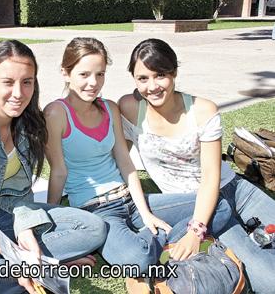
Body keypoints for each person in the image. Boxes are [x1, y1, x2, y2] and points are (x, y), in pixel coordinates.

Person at [44, 37, 231, 276]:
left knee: (221, 208)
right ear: (65, 73)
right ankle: (164, 237)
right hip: (97, 210)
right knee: (136, 260)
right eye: (84, 75)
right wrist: (50, 218)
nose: (93, 83)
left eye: (100, 74)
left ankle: (155, 233)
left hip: (132, 199)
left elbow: (125, 162)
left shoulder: (110, 108)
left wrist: (146, 214)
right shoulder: (55, 113)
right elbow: (58, 171)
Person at [0, 39, 107, 294]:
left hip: (7, 215)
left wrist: (25, 228)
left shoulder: (28, 125)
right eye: (8, 82)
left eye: (27, 82)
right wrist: (4, 246)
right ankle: (33, 266)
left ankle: (20, 266)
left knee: (93, 228)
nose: (18, 93)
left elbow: (21, 193)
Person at [119, 38, 275, 293]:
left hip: (235, 190)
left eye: (160, 75)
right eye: (143, 78)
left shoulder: (202, 110)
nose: (153, 86)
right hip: (195, 205)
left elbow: (212, 176)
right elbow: (120, 158)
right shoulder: (129, 108)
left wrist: (196, 231)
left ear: (174, 72)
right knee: (269, 281)